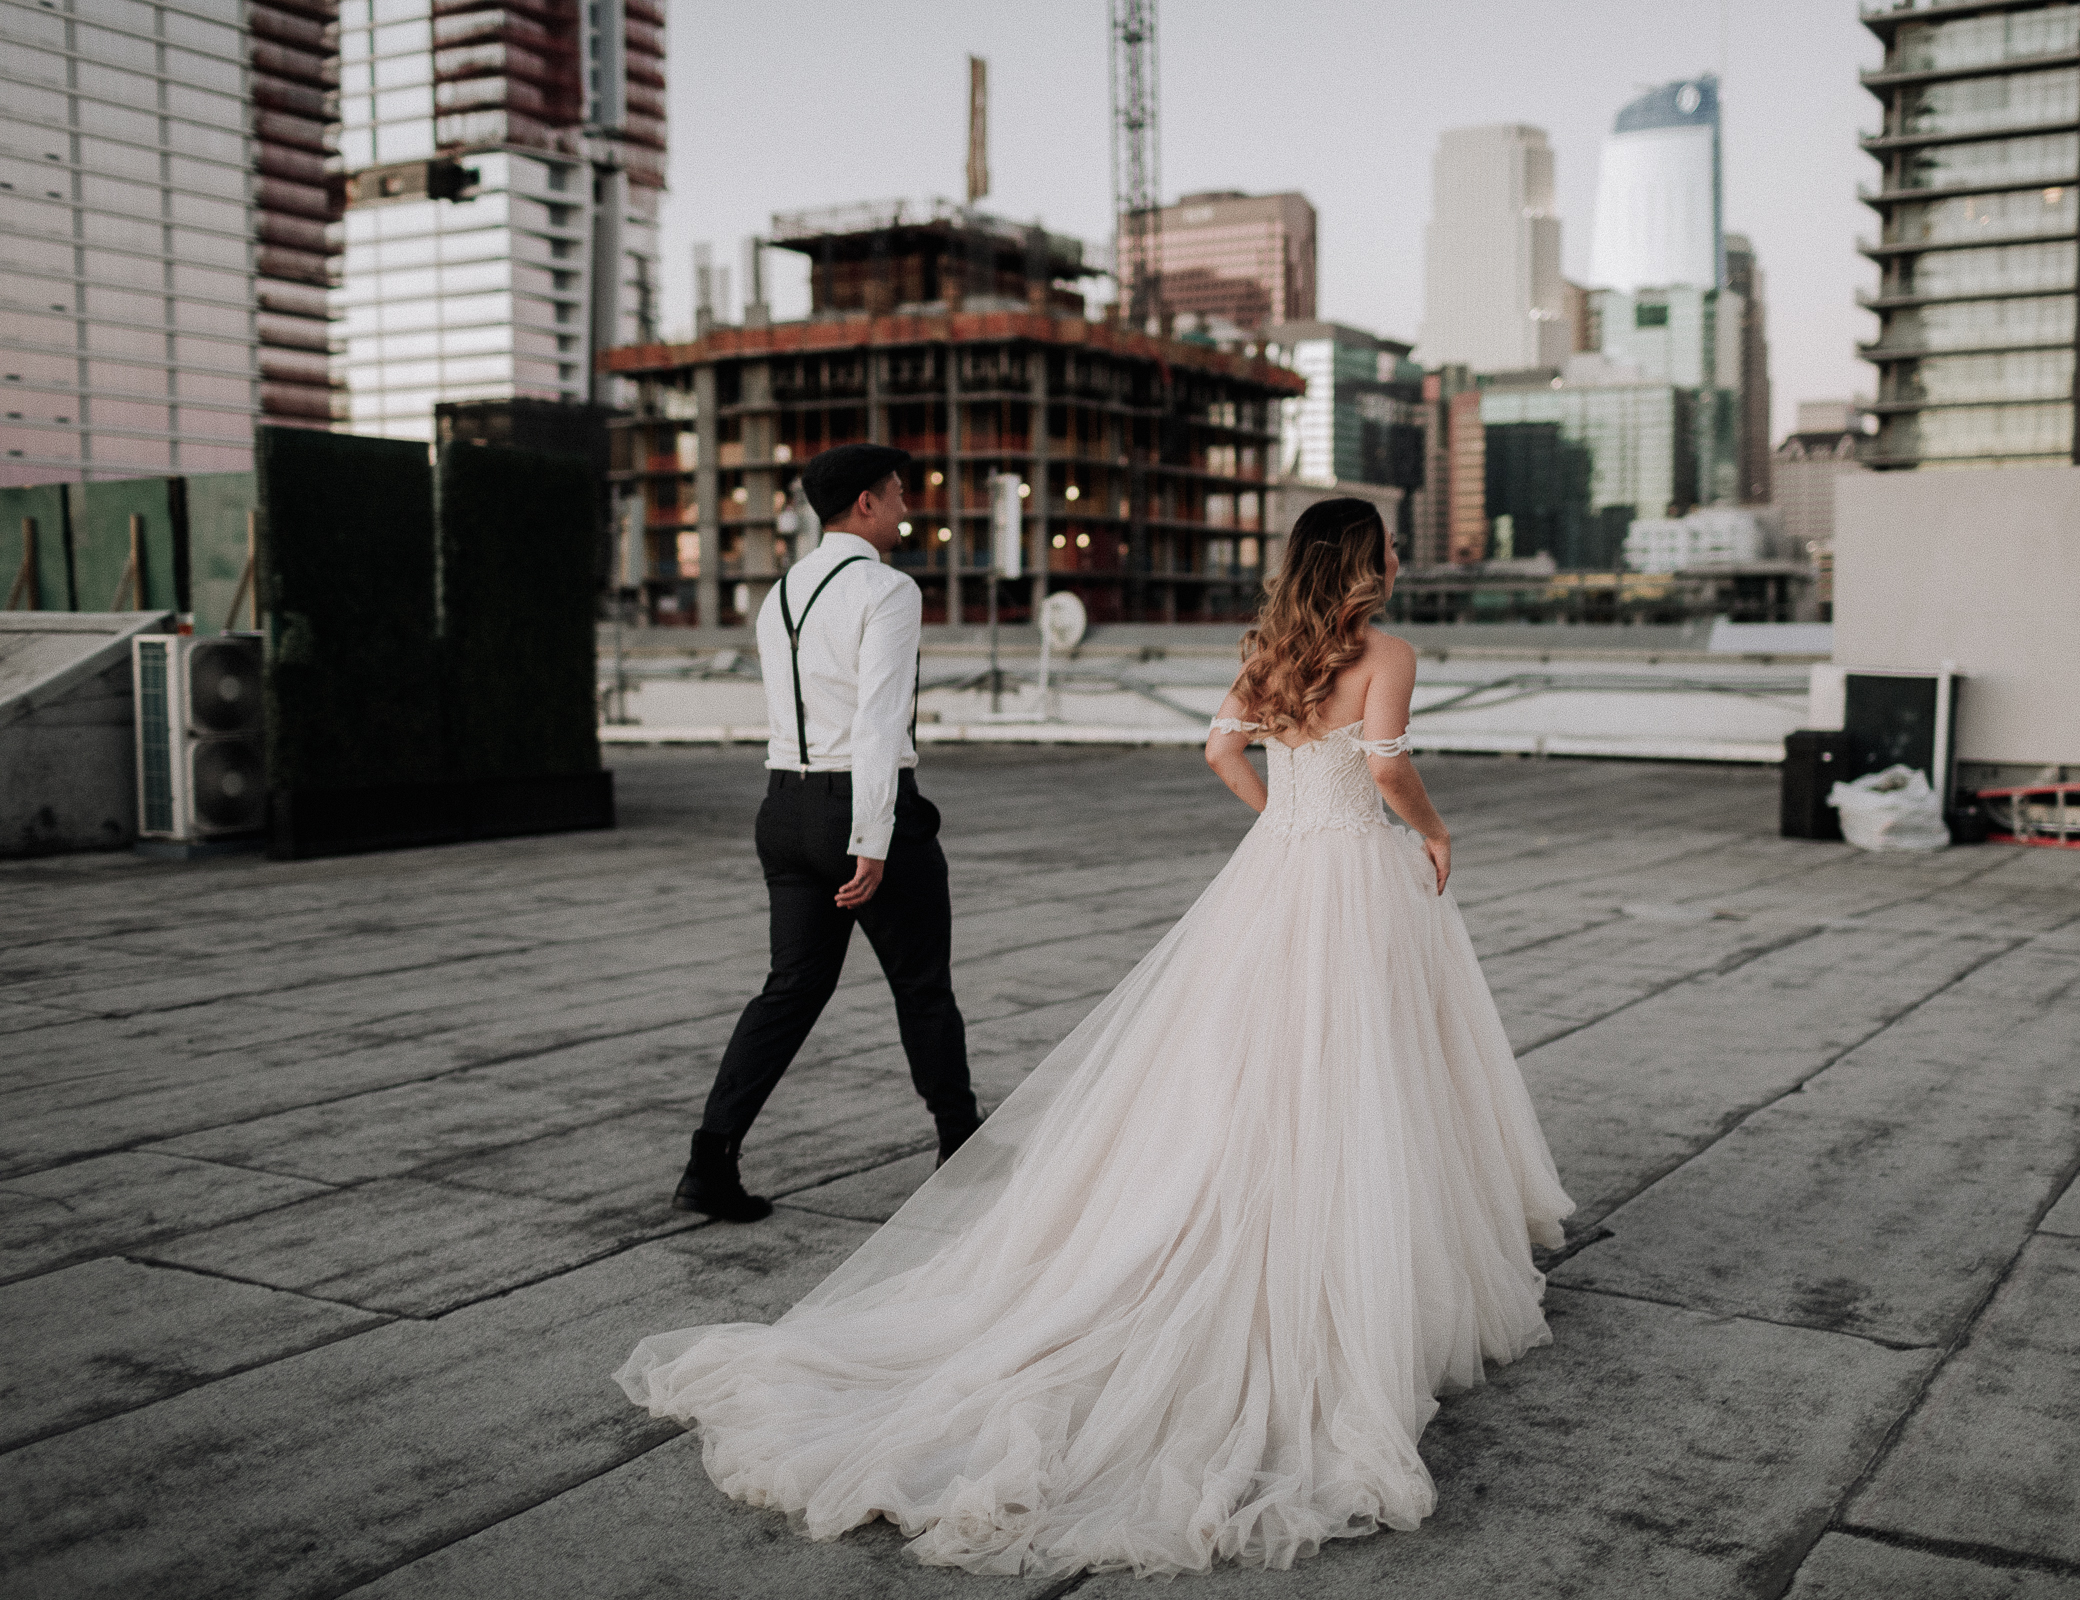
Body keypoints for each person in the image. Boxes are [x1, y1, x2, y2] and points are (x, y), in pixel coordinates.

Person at [618, 497, 1574, 1576]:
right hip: (1354, 871)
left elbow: (1221, 749)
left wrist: (1281, 817)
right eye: (1390, 547)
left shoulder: (1273, 652)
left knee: (1250, 1061)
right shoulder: (1387, 650)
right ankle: (1346, 1251)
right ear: (1364, 562)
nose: (1400, 559)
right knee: (1364, 1066)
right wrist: (1433, 833)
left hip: (1279, 870)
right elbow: (1391, 769)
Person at [669, 443, 980, 1224]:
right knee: (922, 986)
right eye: (900, 494)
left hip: (784, 808)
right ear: (866, 504)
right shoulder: (888, 589)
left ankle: (710, 1161)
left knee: (790, 990)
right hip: (862, 809)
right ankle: (961, 1149)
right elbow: (878, 725)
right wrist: (873, 839)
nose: (909, 506)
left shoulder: (779, 593)